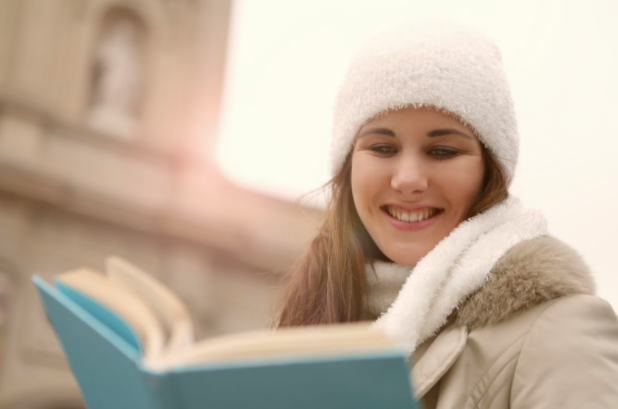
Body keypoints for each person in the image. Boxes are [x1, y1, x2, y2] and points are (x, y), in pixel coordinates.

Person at [274, 19, 618, 408]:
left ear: (490, 172)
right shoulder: (310, 320)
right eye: (382, 148)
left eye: (443, 152)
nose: (408, 180)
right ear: (348, 166)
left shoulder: (559, 331)